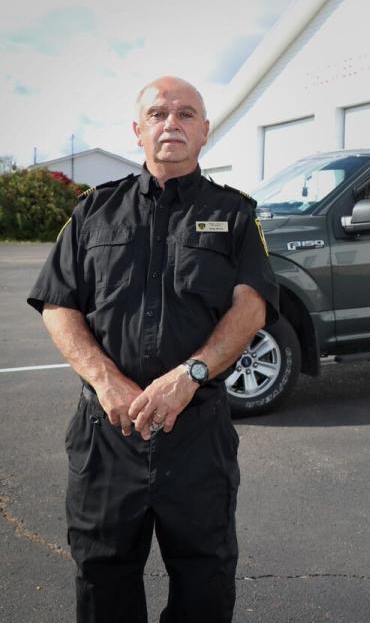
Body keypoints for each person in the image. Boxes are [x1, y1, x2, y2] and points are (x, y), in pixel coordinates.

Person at [27, 76, 279, 622]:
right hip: (106, 436)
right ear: (138, 130)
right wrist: (106, 380)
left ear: (205, 131)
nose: (173, 123)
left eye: (187, 114)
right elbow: (58, 304)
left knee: (205, 578)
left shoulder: (235, 214)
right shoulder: (94, 211)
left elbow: (251, 305)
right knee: (103, 576)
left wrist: (189, 374)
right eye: (160, 114)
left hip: (196, 434)